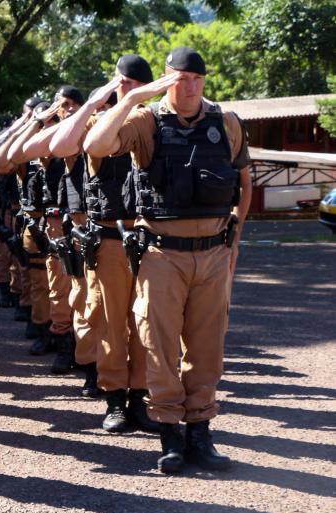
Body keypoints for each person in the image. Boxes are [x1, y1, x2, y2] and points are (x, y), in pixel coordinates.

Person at [84, 47, 252, 473]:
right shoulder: (146, 121)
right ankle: (169, 434)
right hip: (162, 254)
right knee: (158, 346)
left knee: (207, 346)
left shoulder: (226, 122)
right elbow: (95, 144)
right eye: (181, 77)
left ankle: (200, 431)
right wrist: (132, 99)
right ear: (166, 79)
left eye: (198, 77)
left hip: (213, 252)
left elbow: (243, 180)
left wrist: (234, 239)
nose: (191, 85)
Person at [48, 54, 160, 429]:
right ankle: (114, 398)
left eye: (134, 83)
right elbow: (62, 146)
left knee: (145, 324)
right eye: (122, 82)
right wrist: (96, 102)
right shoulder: (98, 122)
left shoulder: (156, 123)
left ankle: (140, 399)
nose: (127, 89)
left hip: (150, 237)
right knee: (112, 323)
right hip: (110, 238)